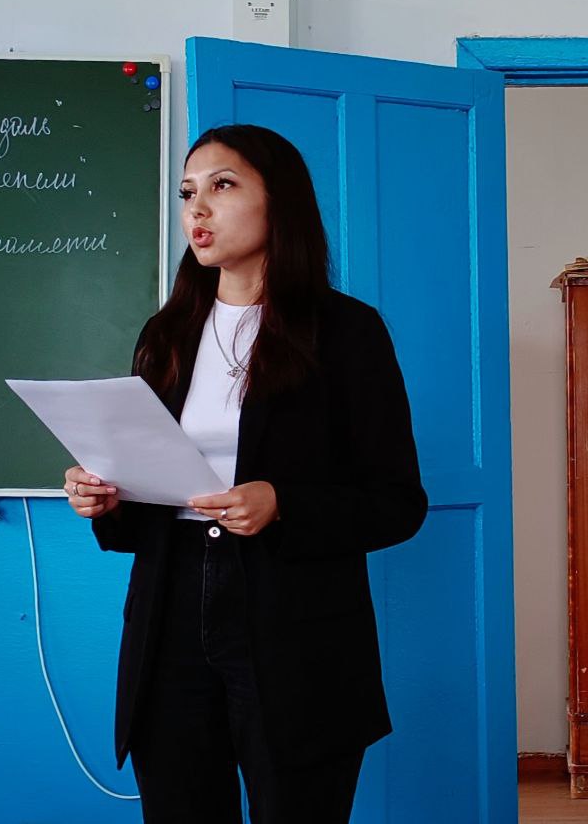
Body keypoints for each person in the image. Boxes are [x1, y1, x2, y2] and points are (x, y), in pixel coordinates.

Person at [64, 123, 427, 824]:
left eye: (222, 185)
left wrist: (281, 502)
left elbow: (398, 502)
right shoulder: (165, 334)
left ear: (279, 201)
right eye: (187, 192)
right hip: (170, 610)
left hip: (296, 622)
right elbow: (143, 510)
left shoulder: (346, 331)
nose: (197, 208)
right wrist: (106, 498)